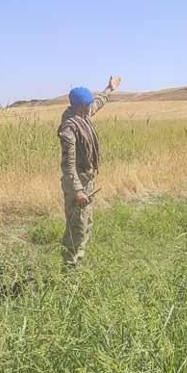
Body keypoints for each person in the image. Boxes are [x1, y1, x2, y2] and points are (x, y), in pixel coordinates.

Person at [57, 75, 121, 267]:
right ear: (77, 107)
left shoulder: (81, 115)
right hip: (76, 183)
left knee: (86, 223)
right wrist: (78, 191)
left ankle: (78, 262)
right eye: (87, 106)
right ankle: (69, 270)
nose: (90, 109)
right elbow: (68, 166)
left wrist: (110, 88)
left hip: (86, 180)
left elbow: (99, 103)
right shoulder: (69, 129)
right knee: (76, 226)